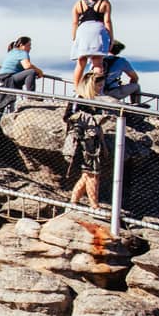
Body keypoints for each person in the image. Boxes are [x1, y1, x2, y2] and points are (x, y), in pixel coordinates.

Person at [64, 72, 108, 211]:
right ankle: (94, 207)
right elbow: (68, 117)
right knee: (93, 174)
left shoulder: (95, 100)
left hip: (94, 141)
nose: (101, 88)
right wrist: (88, 118)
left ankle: (73, 203)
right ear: (91, 85)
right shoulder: (79, 98)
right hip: (83, 141)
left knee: (87, 174)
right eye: (99, 85)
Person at [71, 0, 113, 87]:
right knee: (97, 63)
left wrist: (75, 37)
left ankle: (76, 89)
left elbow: (75, 22)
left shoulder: (78, 4)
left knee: (81, 63)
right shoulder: (105, 3)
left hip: (82, 30)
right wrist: (111, 39)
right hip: (98, 30)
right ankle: (96, 90)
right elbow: (107, 22)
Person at [0, 36, 43, 112]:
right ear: (21, 45)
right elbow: (27, 66)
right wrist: (39, 71)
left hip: (0, 80)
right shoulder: (22, 52)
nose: (30, 48)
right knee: (31, 72)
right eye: (29, 45)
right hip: (8, 78)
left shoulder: (12, 52)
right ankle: (31, 96)